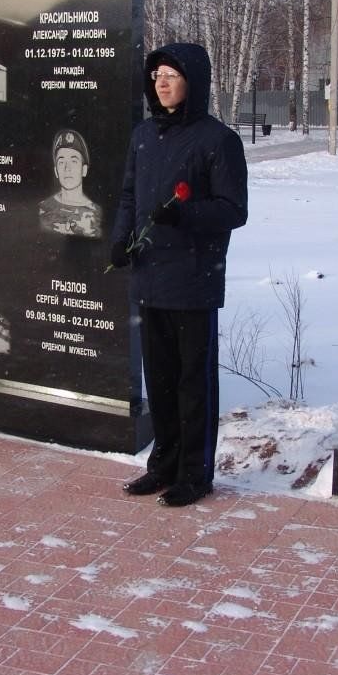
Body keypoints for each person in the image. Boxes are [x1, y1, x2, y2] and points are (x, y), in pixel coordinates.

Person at [109, 43, 248, 508]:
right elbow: (129, 194)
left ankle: (195, 473)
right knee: (161, 380)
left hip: (192, 278)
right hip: (150, 276)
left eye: (171, 75)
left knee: (193, 383)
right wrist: (120, 237)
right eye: (156, 76)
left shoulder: (217, 140)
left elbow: (233, 210)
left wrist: (183, 214)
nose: (161, 83)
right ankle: (163, 465)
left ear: (194, 82)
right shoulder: (144, 135)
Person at [38, 128, 102, 238]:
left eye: (74, 161)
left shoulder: (97, 215)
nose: (67, 168)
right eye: (62, 162)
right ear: (56, 171)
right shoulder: (42, 209)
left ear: (84, 169)